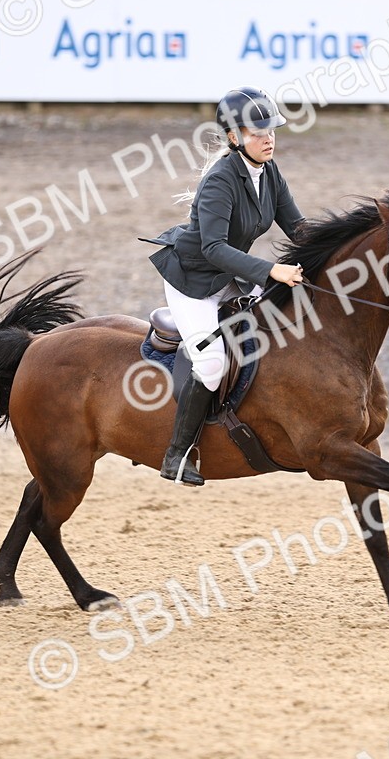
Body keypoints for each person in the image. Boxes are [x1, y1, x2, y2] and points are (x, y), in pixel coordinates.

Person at [144, 87, 305, 486]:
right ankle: (177, 456)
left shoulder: (270, 173)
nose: (268, 138)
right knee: (212, 363)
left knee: (276, 326)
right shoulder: (220, 180)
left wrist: (340, 249)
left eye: (272, 130)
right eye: (257, 131)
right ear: (234, 138)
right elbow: (213, 248)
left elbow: (300, 230)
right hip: (194, 281)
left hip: (229, 276)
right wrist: (270, 271)